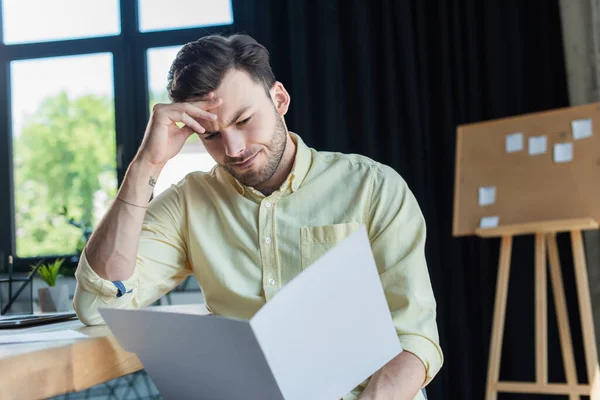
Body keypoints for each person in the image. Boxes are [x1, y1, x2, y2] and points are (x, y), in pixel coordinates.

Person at [73, 33, 443, 400]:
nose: (233, 149)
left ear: (279, 99)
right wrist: (146, 165)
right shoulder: (189, 203)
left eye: (244, 119)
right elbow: (98, 306)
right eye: (211, 135)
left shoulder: (373, 188)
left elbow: (414, 339)